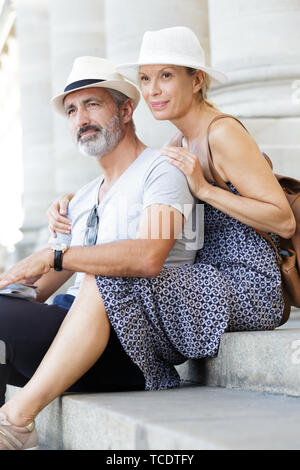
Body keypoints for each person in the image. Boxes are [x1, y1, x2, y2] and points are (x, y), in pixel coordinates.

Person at [49, 27, 295, 389]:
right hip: (209, 276)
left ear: (196, 81)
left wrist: (204, 190)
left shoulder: (221, 133)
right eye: (145, 78)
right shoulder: (179, 141)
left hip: (250, 284)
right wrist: (73, 202)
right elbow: (134, 182)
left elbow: (283, 220)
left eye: (166, 76)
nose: (153, 90)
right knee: (115, 271)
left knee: (119, 274)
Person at [0, 56, 198, 450]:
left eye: (92, 104)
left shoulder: (161, 171)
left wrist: (55, 256)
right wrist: (14, 285)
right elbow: (40, 286)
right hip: (70, 333)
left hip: (132, 347)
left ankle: (15, 424)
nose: (80, 119)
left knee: (98, 273)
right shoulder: (84, 195)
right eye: (72, 110)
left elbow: (147, 257)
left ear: (126, 110)